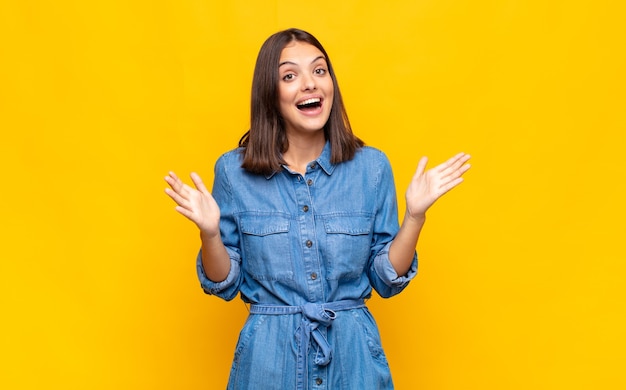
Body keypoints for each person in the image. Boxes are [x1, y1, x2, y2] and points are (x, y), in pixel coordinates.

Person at [165, 28, 470, 390]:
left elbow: (386, 279)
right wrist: (210, 233)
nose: (309, 84)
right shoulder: (234, 172)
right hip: (268, 363)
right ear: (270, 93)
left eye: (319, 71)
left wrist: (415, 217)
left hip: (353, 360)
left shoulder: (371, 168)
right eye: (290, 75)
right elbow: (223, 283)